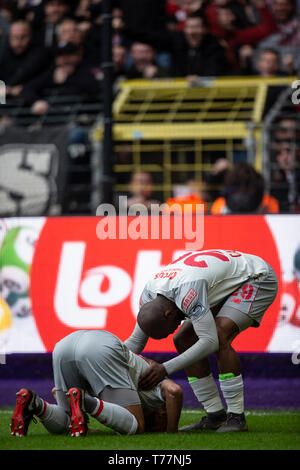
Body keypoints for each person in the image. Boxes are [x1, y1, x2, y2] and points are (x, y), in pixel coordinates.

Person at [125, 249, 278, 432]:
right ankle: (215, 416)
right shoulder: (148, 296)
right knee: (183, 339)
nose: (168, 333)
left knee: (220, 336)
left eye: (165, 331)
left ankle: (237, 417)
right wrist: (99, 356)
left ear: (169, 314)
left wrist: (165, 369)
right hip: (214, 281)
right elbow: (135, 343)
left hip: (256, 277)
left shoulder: (188, 293)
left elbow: (209, 341)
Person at [10, 329, 183, 437]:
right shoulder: (158, 396)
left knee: (69, 426)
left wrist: (80, 400)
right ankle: (87, 401)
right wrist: (172, 430)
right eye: (162, 423)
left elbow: (57, 391)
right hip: (100, 345)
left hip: (64, 345)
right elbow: (174, 391)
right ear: (163, 413)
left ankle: (35, 403)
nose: (158, 428)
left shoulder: (142, 396)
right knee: (138, 428)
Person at [122, 10, 230, 77]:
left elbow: (215, 69)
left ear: (205, 29)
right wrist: (123, 29)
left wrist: (199, 79)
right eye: (189, 27)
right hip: (179, 92)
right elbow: (149, 37)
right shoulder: (177, 40)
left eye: (196, 27)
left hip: (207, 93)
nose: (192, 32)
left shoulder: (214, 45)